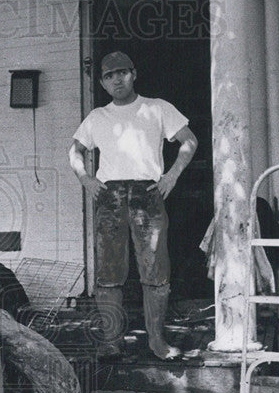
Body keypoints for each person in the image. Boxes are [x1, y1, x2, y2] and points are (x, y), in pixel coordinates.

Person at [69, 50, 198, 360]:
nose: (117, 79)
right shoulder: (98, 117)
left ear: (134, 74)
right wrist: (86, 179)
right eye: (110, 75)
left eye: (123, 72)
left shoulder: (157, 109)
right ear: (102, 81)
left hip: (147, 194)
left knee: (155, 272)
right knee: (108, 274)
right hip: (110, 197)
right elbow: (74, 151)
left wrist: (172, 177)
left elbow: (189, 140)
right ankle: (112, 341)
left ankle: (157, 341)